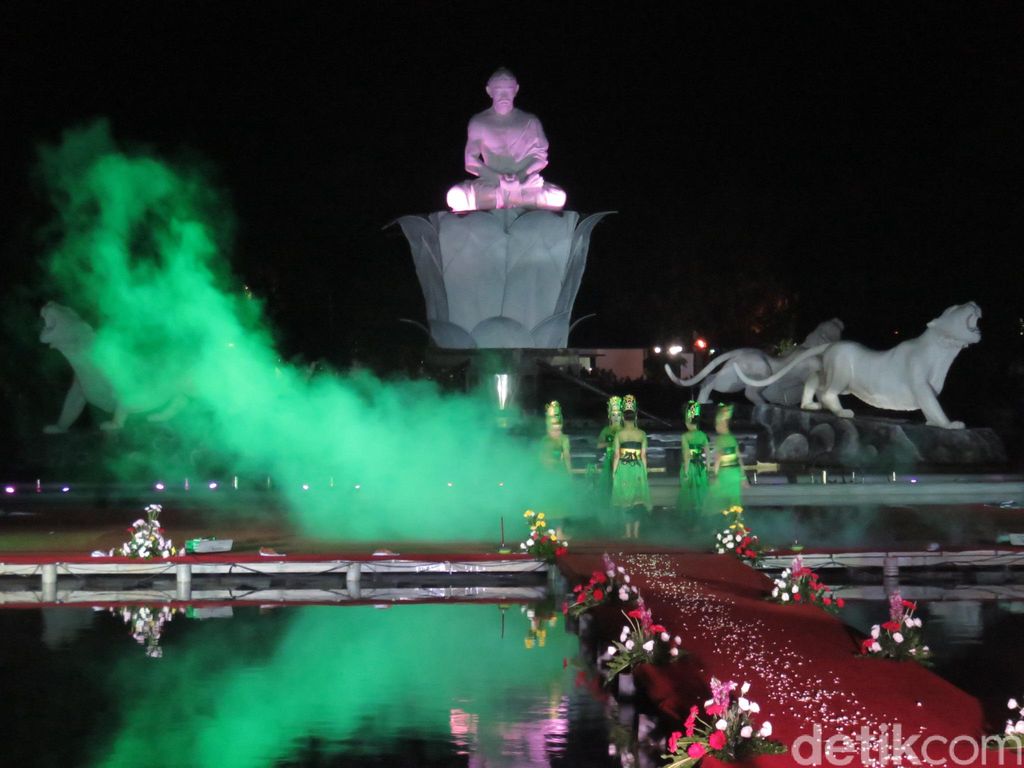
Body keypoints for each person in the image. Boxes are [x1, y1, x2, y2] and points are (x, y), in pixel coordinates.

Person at [447, 68, 567, 211]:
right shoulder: (479, 122)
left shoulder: (530, 121)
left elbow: (540, 157)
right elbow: (471, 161)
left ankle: (509, 197)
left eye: (508, 89)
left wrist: (519, 178)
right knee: (455, 195)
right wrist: (500, 180)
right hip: (491, 184)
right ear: (489, 91)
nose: (504, 95)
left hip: (525, 183)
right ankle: (511, 197)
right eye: (498, 90)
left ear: (516, 90)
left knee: (558, 197)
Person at [611, 395, 652, 539]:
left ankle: (628, 533)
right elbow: (644, 455)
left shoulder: (619, 434)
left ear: (623, 416)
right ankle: (636, 533)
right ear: (635, 416)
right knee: (638, 501)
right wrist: (645, 471)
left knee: (626, 501)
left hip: (623, 468)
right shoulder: (641, 434)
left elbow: (616, 455)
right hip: (637, 469)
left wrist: (614, 472)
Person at [710, 403, 747, 512]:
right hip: (735, 473)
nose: (716, 427)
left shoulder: (720, 439)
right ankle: (736, 523)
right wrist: (743, 478)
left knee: (717, 500)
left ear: (722, 424)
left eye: (717, 424)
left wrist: (715, 475)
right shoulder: (732, 439)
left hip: (725, 473)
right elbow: (739, 459)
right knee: (735, 501)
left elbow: (718, 458)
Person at [677, 400, 709, 516]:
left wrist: (685, 472)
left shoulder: (685, 436)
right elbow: (708, 454)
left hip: (690, 467)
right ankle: (700, 521)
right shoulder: (703, 435)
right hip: (701, 467)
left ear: (689, 420)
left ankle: (689, 521)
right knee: (700, 494)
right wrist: (707, 469)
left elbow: (687, 456)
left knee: (688, 494)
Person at [596, 396, 623, 496]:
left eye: (618, 415)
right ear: (610, 415)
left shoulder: (624, 430)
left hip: (622, 459)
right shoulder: (606, 430)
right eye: (613, 415)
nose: (616, 417)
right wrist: (609, 443)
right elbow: (598, 445)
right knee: (608, 484)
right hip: (609, 459)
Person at [539, 400, 572, 473]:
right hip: (547, 474)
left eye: (558, 430)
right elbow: (543, 459)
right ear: (549, 430)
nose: (557, 433)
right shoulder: (545, 440)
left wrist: (569, 473)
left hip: (560, 472)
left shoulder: (564, 439)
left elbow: (567, 457)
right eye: (554, 430)